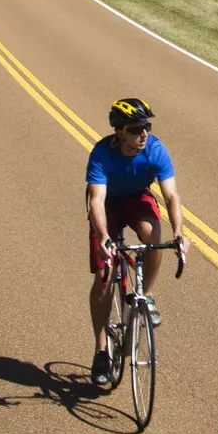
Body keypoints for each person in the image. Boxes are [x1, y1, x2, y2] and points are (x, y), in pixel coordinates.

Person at [86, 96, 187, 388]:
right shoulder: (102, 154)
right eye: (136, 128)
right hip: (106, 205)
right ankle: (101, 350)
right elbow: (97, 200)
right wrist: (104, 236)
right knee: (105, 277)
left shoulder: (155, 150)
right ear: (119, 131)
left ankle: (148, 295)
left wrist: (178, 231)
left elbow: (171, 196)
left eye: (147, 126)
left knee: (153, 236)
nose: (144, 133)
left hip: (135, 197)